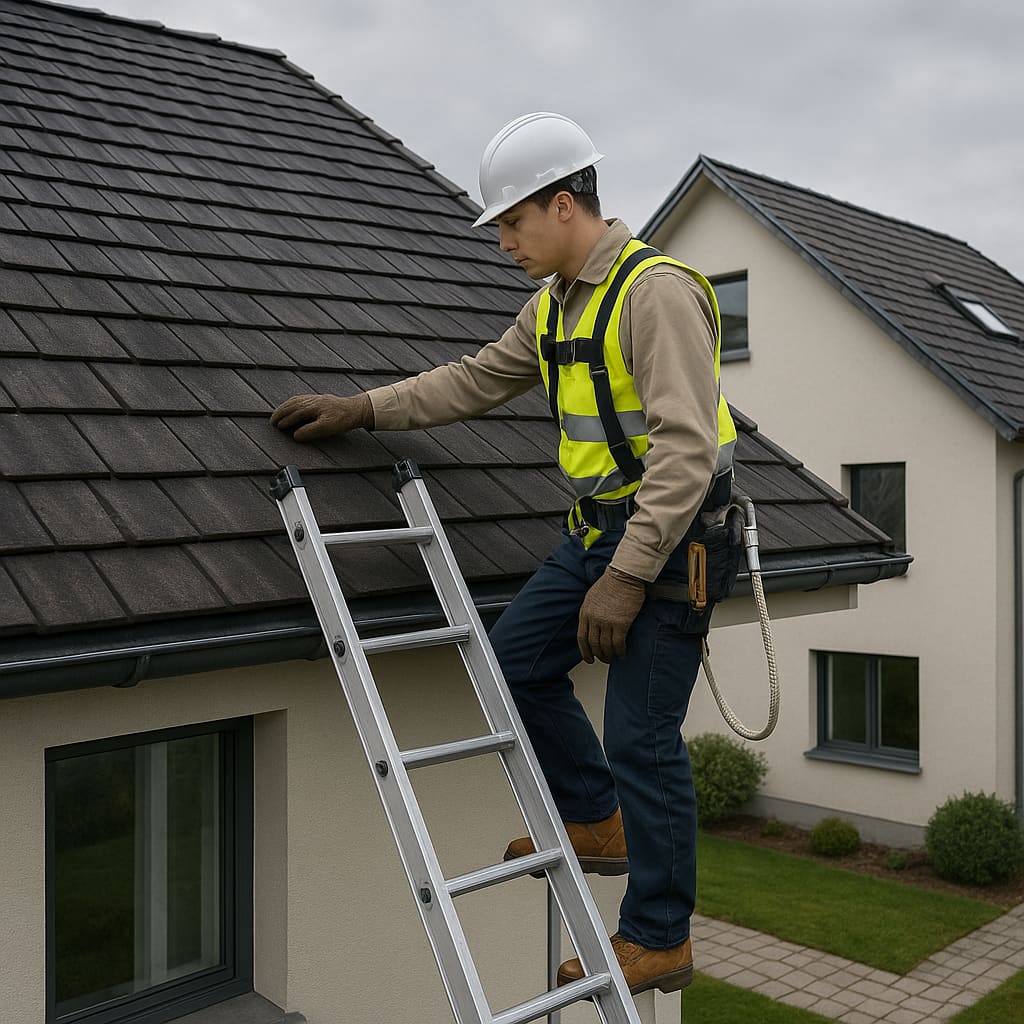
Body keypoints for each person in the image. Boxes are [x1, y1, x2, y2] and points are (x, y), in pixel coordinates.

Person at [271, 111, 738, 996]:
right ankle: (599, 821)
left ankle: (660, 934)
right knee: (511, 663)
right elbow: (477, 377)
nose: (504, 245)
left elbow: (685, 452)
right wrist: (364, 407)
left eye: (512, 225)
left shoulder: (655, 292)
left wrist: (628, 578)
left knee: (640, 737)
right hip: (597, 534)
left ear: (564, 206)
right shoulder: (557, 305)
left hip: (674, 547)